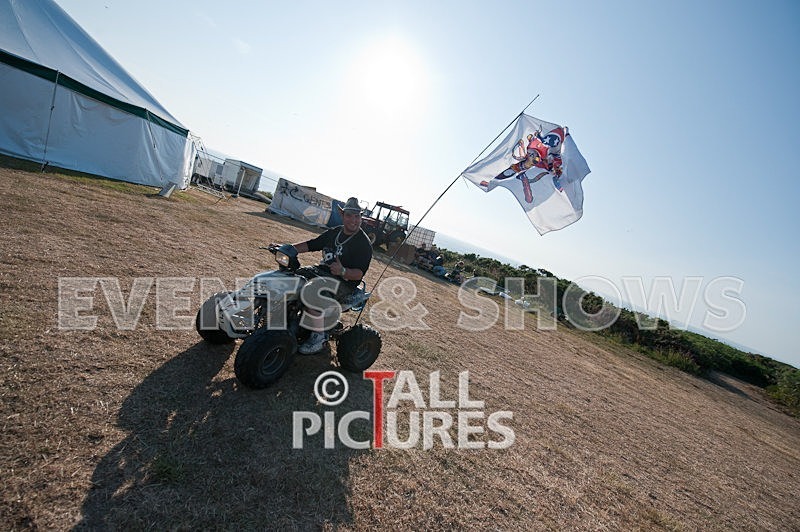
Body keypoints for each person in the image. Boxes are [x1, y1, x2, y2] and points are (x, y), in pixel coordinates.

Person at [290, 197, 373, 354]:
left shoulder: (363, 243)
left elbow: (359, 273)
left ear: (361, 218)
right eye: (349, 215)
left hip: (344, 283)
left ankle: (318, 337)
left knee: (312, 291)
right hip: (322, 272)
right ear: (342, 215)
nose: (353, 220)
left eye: (357, 216)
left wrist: (342, 271)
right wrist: (289, 248)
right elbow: (312, 244)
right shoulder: (335, 232)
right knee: (291, 277)